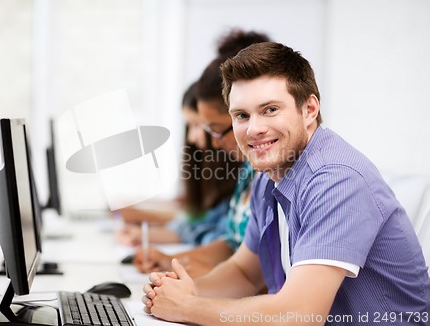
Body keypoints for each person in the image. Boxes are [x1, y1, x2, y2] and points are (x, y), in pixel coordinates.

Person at [141, 42, 430, 325]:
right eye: (241, 115)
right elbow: (243, 272)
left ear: (309, 110)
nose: (254, 129)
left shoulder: (337, 179)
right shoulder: (269, 176)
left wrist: (190, 307)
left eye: (270, 110)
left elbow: (300, 315)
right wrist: (181, 292)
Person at [133, 29, 271, 277]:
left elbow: (260, 276)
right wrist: (173, 264)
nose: (205, 141)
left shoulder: (287, 176)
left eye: (211, 129)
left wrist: (188, 286)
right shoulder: (251, 170)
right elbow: (233, 249)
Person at [117, 81, 240, 247]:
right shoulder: (221, 176)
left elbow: (217, 237)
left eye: (197, 125)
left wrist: (146, 226)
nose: (192, 138)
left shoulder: (242, 175)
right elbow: (194, 218)